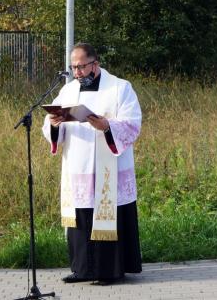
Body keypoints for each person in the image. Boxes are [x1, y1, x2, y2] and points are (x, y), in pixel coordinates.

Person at [42, 43, 142, 285]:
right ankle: (83, 269)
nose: (77, 72)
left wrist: (107, 126)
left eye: (81, 67)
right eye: (73, 67)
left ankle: (108, 271)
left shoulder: (120, 88)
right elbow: (51, 125)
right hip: (78, 166)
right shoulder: (68, 91)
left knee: (106, 214)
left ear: (94, 64)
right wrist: (55, 124)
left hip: (109, 168)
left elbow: (132, 124)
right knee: (82, 218)